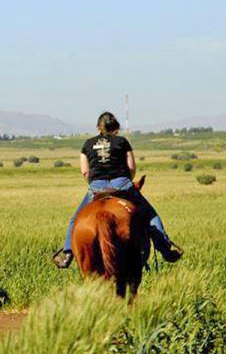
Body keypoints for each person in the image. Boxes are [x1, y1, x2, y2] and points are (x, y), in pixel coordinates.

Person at [52, 111, 183, 268]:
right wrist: (125, 181)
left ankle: (67, 253)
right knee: (150, 214)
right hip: (122, 185)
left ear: (98, 127)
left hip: (97, 187)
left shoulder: (87, 144)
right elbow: (132, 168)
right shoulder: (122, 141)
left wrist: (96, 185)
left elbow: (85, 172)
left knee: (76, 219)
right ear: (116, 127)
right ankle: (165, 248)